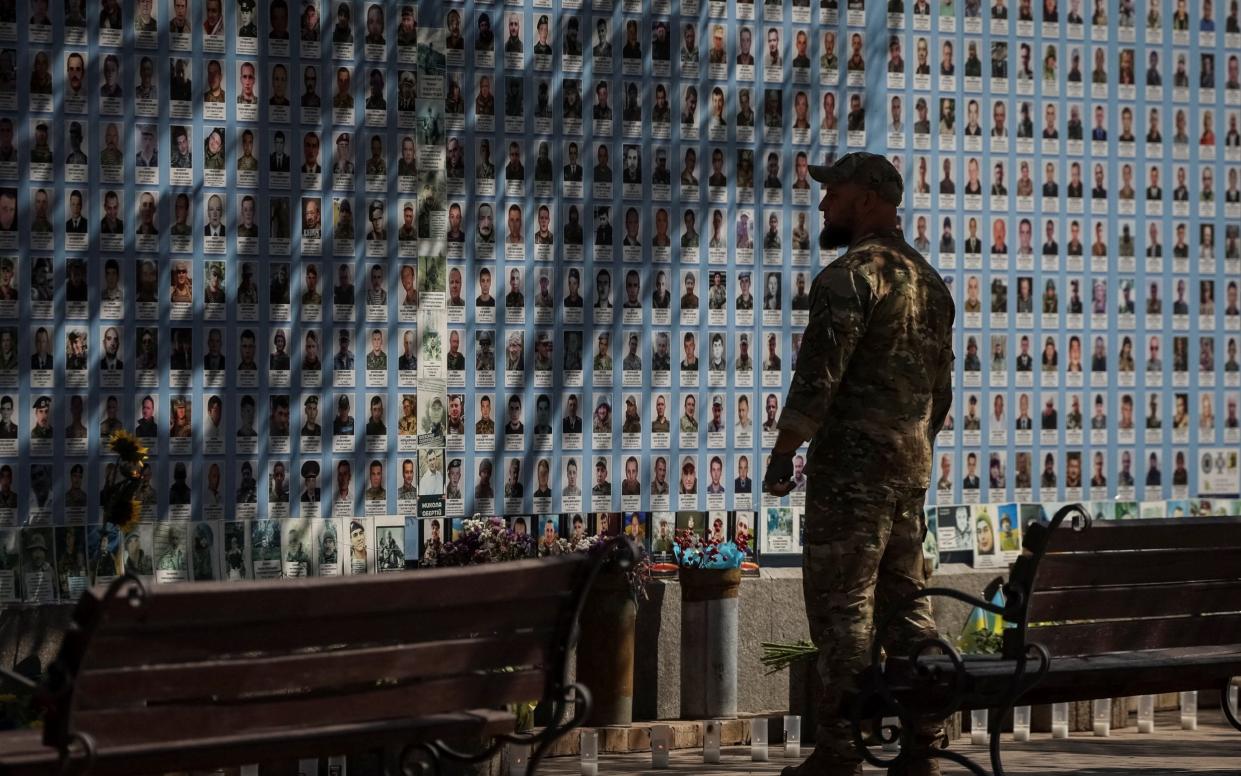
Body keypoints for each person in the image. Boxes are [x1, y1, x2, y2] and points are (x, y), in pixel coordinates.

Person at [767, 153, 954, 776]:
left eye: (834, 193)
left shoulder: (849, 278)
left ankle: (842, 750)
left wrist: (783, 455)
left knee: (844, 605)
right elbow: (941, 392)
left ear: (869, 198)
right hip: (910, 472)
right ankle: (925, 741)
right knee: (907, 602)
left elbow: (817, 381)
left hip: (851, 476)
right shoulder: (930, 283)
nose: (823, 204)